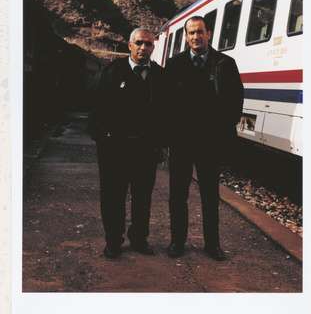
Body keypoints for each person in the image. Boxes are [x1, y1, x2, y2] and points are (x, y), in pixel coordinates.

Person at [165, 16, 243, 260]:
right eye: (190, 33)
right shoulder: (174, 64)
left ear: (208, 33)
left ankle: (212, 245)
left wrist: (223, 129)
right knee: (178, 195)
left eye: (199, 32)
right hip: (181, 142)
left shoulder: (225, 63)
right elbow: (165, 104)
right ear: (186, 36)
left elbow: (235, 100)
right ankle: (177, 242)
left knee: (210, 196)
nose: (195, 37)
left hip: (210, 143)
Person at [88, 28, 165, 259]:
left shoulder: (161, 76)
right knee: (113, 197)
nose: (144, 48)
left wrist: (160, 144)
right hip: (115, 150)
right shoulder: (111, 72)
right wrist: (104, 139)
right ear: (129, 46)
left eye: (149, 44)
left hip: (146, 150)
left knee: (142, 198)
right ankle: (113, 241)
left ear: (153, 48)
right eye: (139, 43)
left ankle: (139, 239)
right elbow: (95, 109)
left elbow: (167, 113)